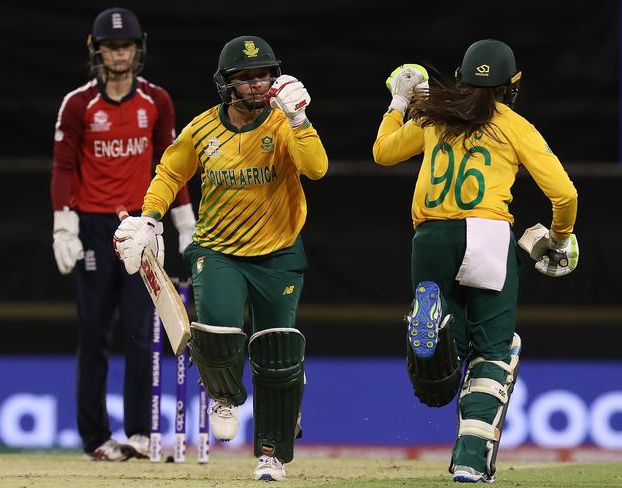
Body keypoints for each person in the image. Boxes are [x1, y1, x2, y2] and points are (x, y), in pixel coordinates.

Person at [113, 35, 327, 480]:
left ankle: (271, 453)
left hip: (279, 253)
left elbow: (317, 168)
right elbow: (171, 171)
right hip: (219, 249)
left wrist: (301, 119)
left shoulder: (285, 123)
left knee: (277, 352)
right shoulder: (203, 129)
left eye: (264, 75)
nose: (257, 84)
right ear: (226, 84)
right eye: (246, 78)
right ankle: (223, 394)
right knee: (216, 326)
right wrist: (150, 219)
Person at [373, 39, 578, 483]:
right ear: (512, 85)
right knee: (495, 352)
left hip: (429, 236)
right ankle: (469, 458)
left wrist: (399, 101)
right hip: (487, 234)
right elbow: (565, 194)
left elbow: (383, 152)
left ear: (461, 77)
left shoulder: (432, 117)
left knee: (444, 366)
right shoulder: (514, 125)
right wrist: (560, 237)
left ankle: (432, 323)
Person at [51, 7, 196, 461]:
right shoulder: (78, 104)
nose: (119, 54)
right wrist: (64, 225)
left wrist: (185, 225)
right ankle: (95, 438)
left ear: (139, 48)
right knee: (94, 334)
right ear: (97, 50)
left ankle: (139, 434)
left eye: (127, 46)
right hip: (93, 228)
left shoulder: (157, 102)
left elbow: (171, 167)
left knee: (142, 333)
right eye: (112, 47)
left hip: (141, 226)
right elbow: (64, 167)